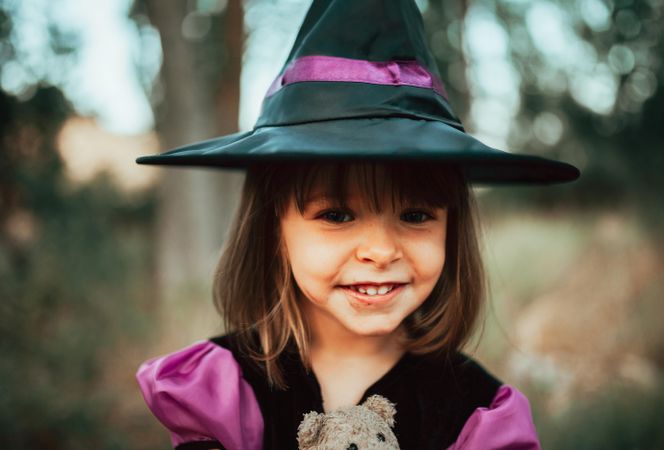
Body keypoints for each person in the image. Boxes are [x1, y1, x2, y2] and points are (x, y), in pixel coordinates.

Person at [134, 1, 579, 449]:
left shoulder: (474, 415)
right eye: (337, 215)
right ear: (274, 230)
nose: (381, 250)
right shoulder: (223, 392)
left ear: (452, 227)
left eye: (415, 215)